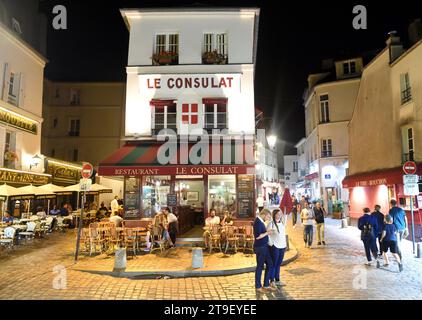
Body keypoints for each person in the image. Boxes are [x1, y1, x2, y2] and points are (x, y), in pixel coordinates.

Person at [253, 208, 275, 292]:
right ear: (264, 214)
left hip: (264, 247)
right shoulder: (257, 222)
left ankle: (266, 284)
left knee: (270, 264)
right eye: (268, 216)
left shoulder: (261, 221)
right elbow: (258, 236)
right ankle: (258, 286)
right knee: (260, 266)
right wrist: (267, 233)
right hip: (260, 247)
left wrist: (267, 231)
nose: (268, 218)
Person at [267, 208, 287, 287]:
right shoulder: (271, 224)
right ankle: (272, 280)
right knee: (274, 264)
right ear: (274, 215)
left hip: (282, 245)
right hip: (275, 246)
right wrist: (271, 244)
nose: (279, 215)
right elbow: (267, 234)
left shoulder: (282, 223)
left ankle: (277, 279)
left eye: (280, 214)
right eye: (278, 214)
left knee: (279, 263)